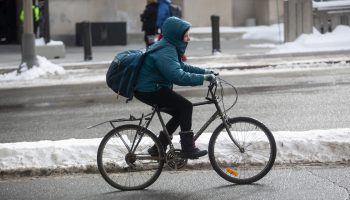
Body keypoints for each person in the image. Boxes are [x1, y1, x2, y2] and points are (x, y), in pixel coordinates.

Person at [134, 17, 216, 159]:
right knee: (186, 107)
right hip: (149, 90)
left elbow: (181, 66)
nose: (188, 39)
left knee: (179, 112)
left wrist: (205, 72)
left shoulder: (168, 46)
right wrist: (203, 79)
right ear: (176, 36)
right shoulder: (165, 51)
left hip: (151, 87)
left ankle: (157, 147)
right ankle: (188, 148)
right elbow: (178, 76)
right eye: (186, 35)